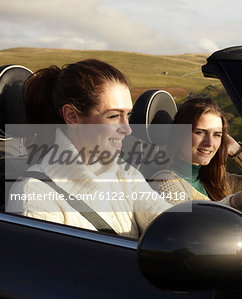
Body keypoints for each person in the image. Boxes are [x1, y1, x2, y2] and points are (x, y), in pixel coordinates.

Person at [6, 59, 171, 238]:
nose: (127, 129)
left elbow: (167, 223)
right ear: (72, 116)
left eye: (128, 115)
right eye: (114, 115)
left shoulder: (124, 174)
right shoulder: (33, 195)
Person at [149, 97, 242, 211]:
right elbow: (194, 227)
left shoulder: (218, 181)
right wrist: (234, 202)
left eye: (217, 135)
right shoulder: (164, 183)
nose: (209, 143)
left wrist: (236, 150)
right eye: (200, 132)